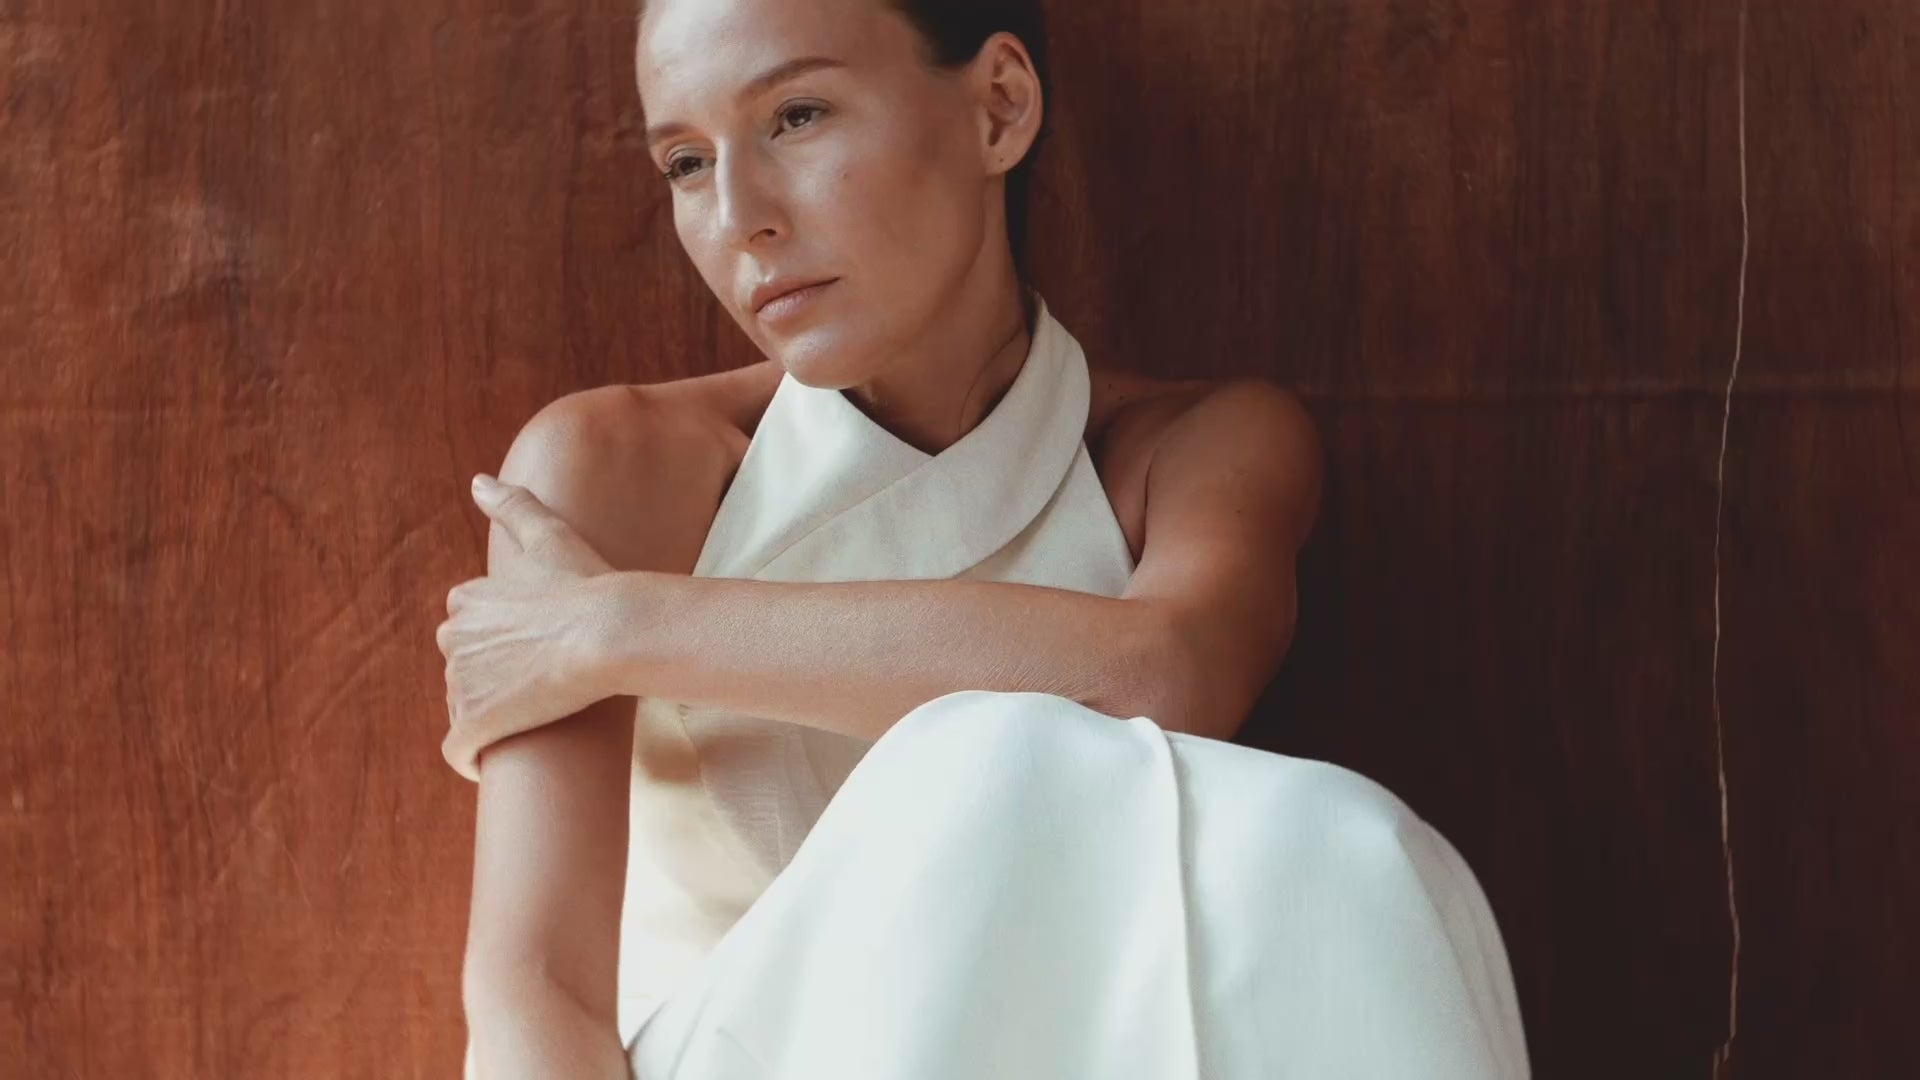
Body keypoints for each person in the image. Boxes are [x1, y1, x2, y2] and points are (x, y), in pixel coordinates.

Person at [434, 0, 1529, 1076]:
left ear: (999, 107)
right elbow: (533, 991)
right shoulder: (610, 467)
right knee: (998, 750)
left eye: (797, 116)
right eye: (685, 162)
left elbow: (1166, 674)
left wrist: (620, 626)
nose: (738, 217)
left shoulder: (1191, 446)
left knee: (1340, 842)